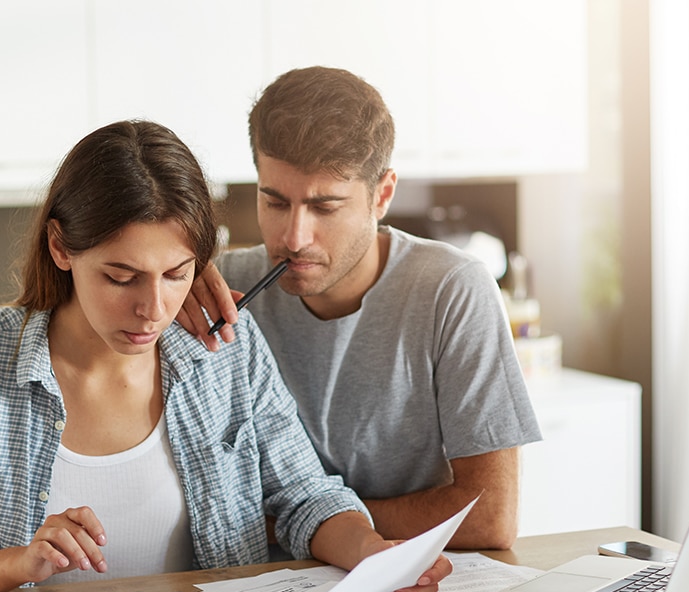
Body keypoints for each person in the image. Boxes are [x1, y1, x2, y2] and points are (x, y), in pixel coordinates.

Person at [0, 119, 451, 592]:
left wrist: (374, 554)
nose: (152, 310)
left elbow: (306, 497)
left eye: (177, 275)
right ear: (61, 248)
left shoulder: (225, 349)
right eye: (120, 277)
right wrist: (19, 562)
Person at [177, 67, 541, 550]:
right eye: (275, 202)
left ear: (382, 195)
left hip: (398, 581)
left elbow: (490, 517)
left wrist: (301, 523)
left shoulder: (451, 290)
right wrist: (167, 285)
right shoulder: (222, 290)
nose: (293, 238)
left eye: (325, 207)